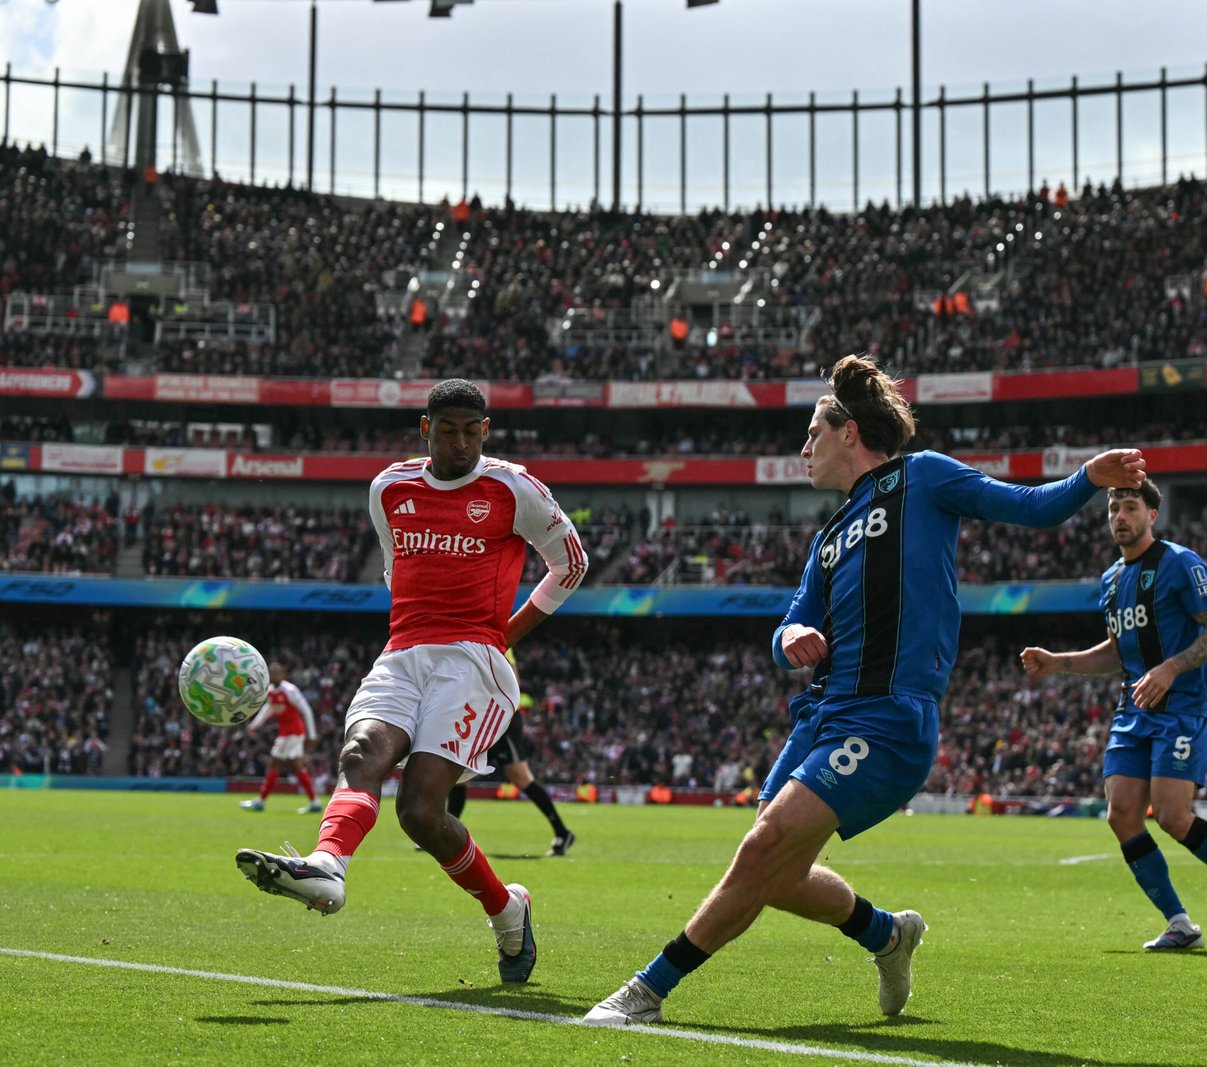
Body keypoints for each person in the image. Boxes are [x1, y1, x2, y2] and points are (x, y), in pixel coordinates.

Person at [583, 354, 1145, 1026]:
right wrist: (791, 635)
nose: (803, 449)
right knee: (777, 875)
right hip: (820, 718)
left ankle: (645, 991)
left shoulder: (923, 476)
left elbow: (1029, 506)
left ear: (848, 432)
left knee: (760, 852)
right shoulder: (826, 538)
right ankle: (887, 934)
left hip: (886, 719)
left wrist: (1088, 478)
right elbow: (789, 624)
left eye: (812, 434)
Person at [235, 379, 588, 983]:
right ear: (426, 429)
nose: (460, 443)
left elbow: (571, 562)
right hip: (402, 652)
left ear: (486, 431)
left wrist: (505, 634)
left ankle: (509, 912)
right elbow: (394, 570)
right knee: (360, 754)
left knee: (421, 812)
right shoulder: (389, 488)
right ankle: (328, 866)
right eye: (447, 431)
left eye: (471, 432)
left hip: (473, 660)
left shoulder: (512, 487)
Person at [1019, 479, 1207, 953]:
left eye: (1130, 507)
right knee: (1121, 814)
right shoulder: (1111, 579)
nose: (1120, 517)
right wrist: (1058, 662)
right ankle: (1180, 925)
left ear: (1152, 515)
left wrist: (1170, 668)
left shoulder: (1179, 563)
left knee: (1172, 816)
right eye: (1114, 509)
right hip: (1133, 711)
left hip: (1180, 708)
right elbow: (1118, 652)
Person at [433, 648, 577, 857]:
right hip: (480, 717)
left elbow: (512, 681)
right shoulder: (473, 643)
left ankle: (562, 832)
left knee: (520, 778)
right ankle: (444, 834)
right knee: (460, 776)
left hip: (501, 718)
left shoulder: (499, 644)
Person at [239, 660, 322, 814]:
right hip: (286, 733)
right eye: (272, 673)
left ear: (283, 674)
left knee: (274, 763)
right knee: (296, 767)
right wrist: (255, 725)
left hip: (292, 732)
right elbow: (268, 708)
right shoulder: (271, 691)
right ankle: (315, 802)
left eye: (277, 672)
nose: (274, 675)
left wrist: (312, 735)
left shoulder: (289, 690)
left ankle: (260, 801)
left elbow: (306, 710)